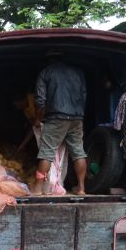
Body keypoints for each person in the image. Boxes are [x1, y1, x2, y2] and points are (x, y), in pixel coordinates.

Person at [32, 58, 88, 195]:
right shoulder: (78, 73)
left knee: (47, 152)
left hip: (56, 117)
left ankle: (37, 188)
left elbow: (40, 100)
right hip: (76, 118)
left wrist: (38, 119)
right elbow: (84, 95)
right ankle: (81, 188)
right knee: (78, 152)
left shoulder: (46, 72)